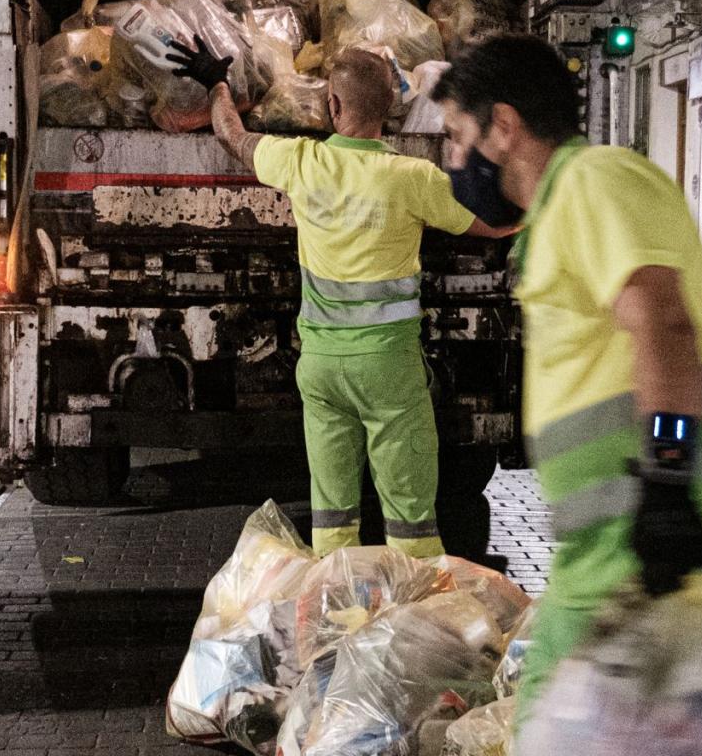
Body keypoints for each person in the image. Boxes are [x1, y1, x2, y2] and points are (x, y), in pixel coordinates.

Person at [431, 34, 702, 719]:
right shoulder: (560, 209)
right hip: (615, 550)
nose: (452, 159)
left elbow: (661, 320)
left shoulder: (596, 181)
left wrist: (669, 485)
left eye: (456, 136)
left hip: (664, 547)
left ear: (503, 128)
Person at [171, 40, 511, 558]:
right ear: (392, 108)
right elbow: (490, 225)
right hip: (389, 371)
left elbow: (231, 135)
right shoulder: (411, 178)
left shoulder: (301, 162)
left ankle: (335, 613)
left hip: (323, 368)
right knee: (410, 518)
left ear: (332, 105)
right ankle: (410, 623)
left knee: (331, 516)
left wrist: (215, 81)